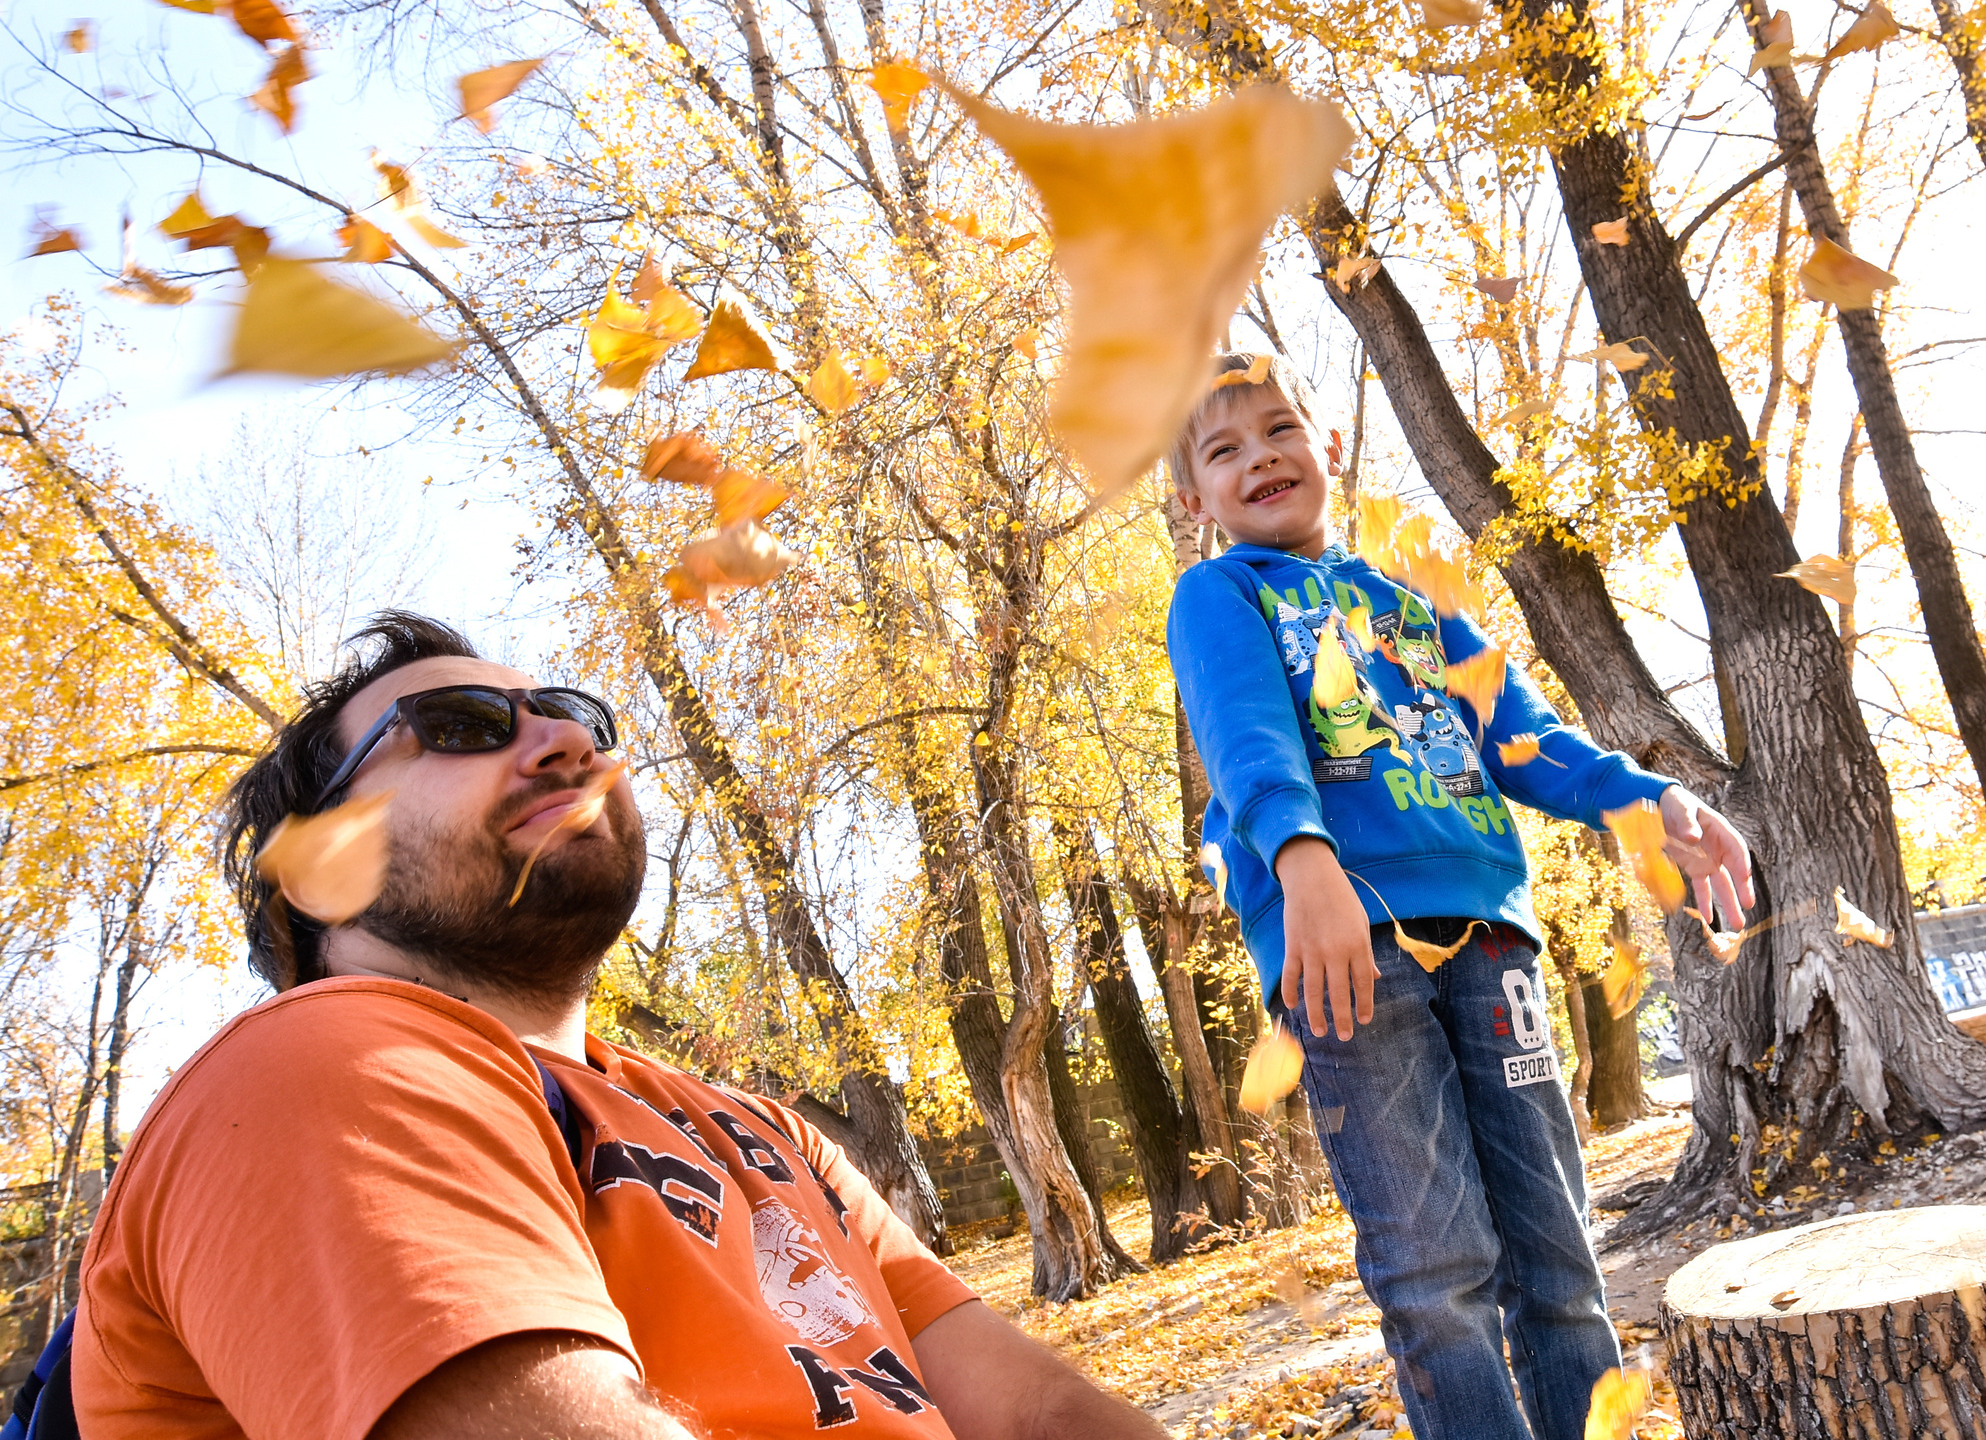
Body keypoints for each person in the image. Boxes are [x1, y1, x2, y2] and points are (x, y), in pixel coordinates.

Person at [73, 613, 1167, 1440]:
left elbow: (1040, 1412)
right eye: (460, 727)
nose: (562, 741)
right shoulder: (317, 1073)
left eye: (577, 716)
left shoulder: (767, 1134)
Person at [1165, 353, 1754, 1440]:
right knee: (1436, 1270)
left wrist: (1648, 799)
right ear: (1193, 499)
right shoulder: (1223, 593)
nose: (1260, 457)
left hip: (1491, 944)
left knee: (1557, 1253)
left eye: (1280, 428)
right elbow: (1246, 738)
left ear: (1329, 445)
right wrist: (1305, 865)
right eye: (1223, 448)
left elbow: (1524, 738)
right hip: (1351, 950)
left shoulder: (1419, 605)